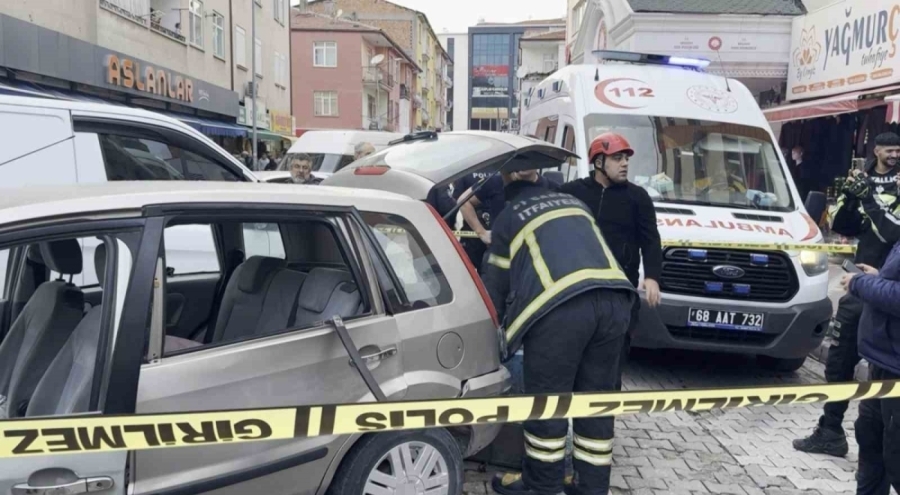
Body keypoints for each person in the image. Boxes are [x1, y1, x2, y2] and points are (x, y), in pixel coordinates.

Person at [483, 167, 637, 495]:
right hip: (615, 302)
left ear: (508, 186)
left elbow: (494, 283)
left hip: (561, 309)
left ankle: (542, 485)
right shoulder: (573, 202)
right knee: (595, 403)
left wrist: (491, 334)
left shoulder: (509, 217)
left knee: (548, 404)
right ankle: (590, 487)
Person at [794, 132, 900, 457]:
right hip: (857, 285)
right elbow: (843, 224)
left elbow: (893, 233)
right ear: (876, 150)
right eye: (890, 149)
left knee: (883, 369)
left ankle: (885, 447)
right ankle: (830, 430)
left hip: (888, 292)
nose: (895, 155)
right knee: (839, 360)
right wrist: (853, 198)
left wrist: (868, 199)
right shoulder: (863, 179)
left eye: (899, 150)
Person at [557, 132, 662, 387]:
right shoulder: (572, 193)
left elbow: (651, 240)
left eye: (626, 158)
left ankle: (601, 421)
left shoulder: (638, 198)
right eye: (617, 158)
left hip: (620, 295)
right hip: (579, 292)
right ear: (599, 163)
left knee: (611, 365)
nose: (625, 163)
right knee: (571, 360)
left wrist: (652, 277)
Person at [839, 233, 900, 493]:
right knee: (870, 443)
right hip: (882, 363)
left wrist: (860, 283)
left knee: (895, 459)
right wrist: (879, 278)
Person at [458, 171, 558, 271]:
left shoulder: (551, 187)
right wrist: (481, 232)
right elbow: (463, 201)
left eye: (528, 157)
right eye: (521, 158)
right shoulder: (496, 182)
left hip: (534, 260)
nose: (525, 163)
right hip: (499, 261)